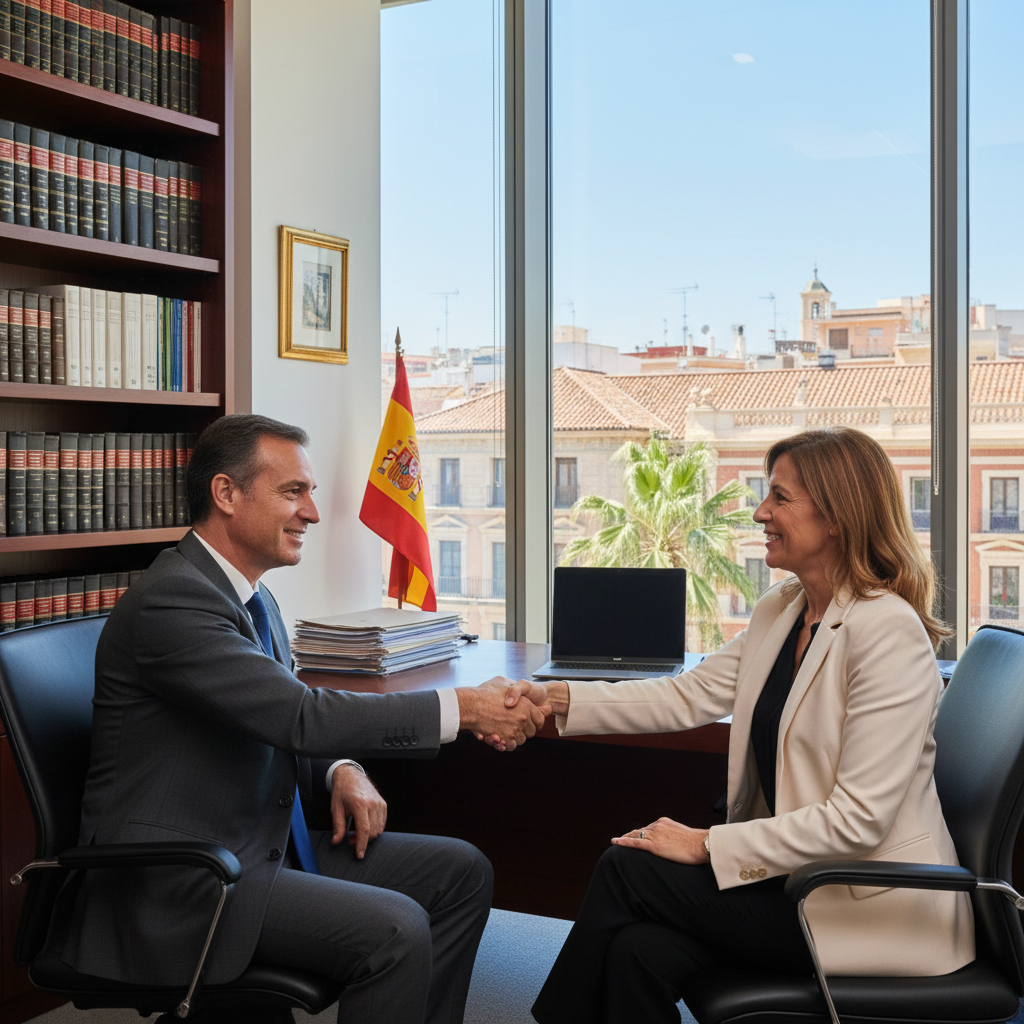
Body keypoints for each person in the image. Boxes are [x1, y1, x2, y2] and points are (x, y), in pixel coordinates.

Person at [60, 414, 544, 1024]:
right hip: (184, 880)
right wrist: (466, 707)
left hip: (258, 846)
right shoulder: (173, 601)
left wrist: (342, 768)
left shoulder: (253, 597)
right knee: (396, 931)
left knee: (461, 873)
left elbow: (276, 713)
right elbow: (299, 715)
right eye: (294, 492)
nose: (312, 512)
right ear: (226, 495)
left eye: (308, 493)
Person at [514, 427, 976, 1024]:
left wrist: (706, 844)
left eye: (780, 498)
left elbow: (859, 820)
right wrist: (552, 700)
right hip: (795, 880)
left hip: (867, 906)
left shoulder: (886, 632)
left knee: (627, 867)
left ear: (836, 517)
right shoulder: (783, 609)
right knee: (636, 952)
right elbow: (690, 694)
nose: (761, 512)